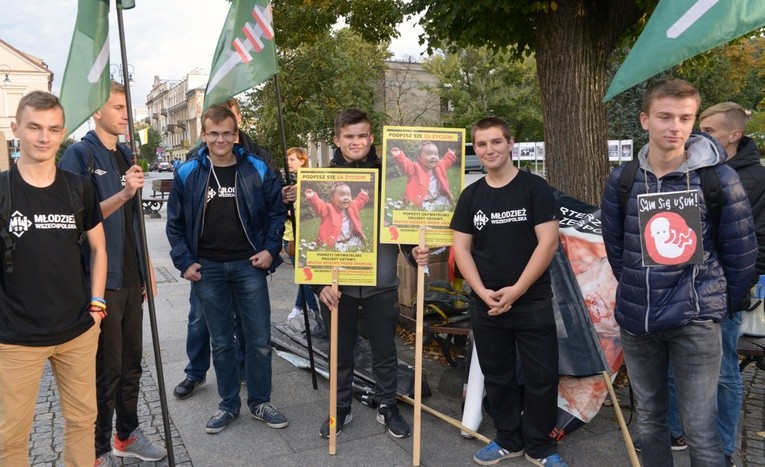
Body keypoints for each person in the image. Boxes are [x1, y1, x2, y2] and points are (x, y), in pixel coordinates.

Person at [601, 79, 756, 466]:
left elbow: (740, 255)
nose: (675, 127)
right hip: (639, 320)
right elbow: (618, 252)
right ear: (644, 120)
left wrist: (711, 305)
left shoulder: (719, 179)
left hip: (696, 321)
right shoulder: (621, 182)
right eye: (665, 116)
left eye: (685, 118)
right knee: (651, 423)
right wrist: (640, 290)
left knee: (700, 429)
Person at [450, 117, 566, 467]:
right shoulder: (471, 195)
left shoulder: (535, 188)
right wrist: (483, 292)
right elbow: (462, 248)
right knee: (497, 376)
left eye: (496, 142)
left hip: (530, 301)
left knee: (541, 377)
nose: (489, 150)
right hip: (486, 303)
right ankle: (508, 439)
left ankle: (540, 447)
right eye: (482, 144)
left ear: (510, 143)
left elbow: (548, 243)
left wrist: (516, 290)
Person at [60, 81, 166, 465]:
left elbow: (135, 220)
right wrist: (122, 193)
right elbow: (75, 220)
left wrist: (148, 266)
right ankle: (97, 448)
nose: (125, 114)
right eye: (118, 106)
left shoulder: (125, 154)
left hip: (131, 277)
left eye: (127, 106)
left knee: (132, 364)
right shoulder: (79, 156)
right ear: (97, 111)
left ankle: (127, 433)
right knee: (106, 369)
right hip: (101, 281)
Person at [166, 105, 288, 434]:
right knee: (221, 341)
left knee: (260, 338)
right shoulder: (188, 173)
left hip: (249, 265)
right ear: (203, 135)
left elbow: (277, 212)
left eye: (227, 133)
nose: (220, 139)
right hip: (208, 269)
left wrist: (270, 249)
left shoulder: (257, 168)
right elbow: (175, 225)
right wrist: (184, 261)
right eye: (213, 133)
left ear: (236, 135)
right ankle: (228, 404)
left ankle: (260, 402)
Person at [0, 91, 107, 466]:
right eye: (34, 127)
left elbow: (99, 249)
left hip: (77, 331)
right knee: (11, 435)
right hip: (16, 339)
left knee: (82, 421)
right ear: (17, 130)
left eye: (53, 129)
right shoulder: (1, 190)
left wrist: (97, 305)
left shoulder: (79, 188)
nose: (44, 137)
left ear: (63, 134)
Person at [313, 108, 429, 440]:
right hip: (338, 286)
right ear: (337, 139)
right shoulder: (321, 179)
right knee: (340, 350)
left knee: (385, 350)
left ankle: (387, 406)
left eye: (362, 135)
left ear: (371, 138)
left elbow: (404, 226)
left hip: (380, 283)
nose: (356, 142)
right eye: (348, 136)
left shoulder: (388, 176)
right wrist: (320, 284)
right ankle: (339, 408)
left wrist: (416, 251)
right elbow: (312, 245)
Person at [665, 101, 765, 466]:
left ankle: (722, 447)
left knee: (723, 373)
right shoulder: (692, 170)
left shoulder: (753, 179)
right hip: (681, 290)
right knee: (676, 366)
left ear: (734, 135)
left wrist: (735, 291)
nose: (696, 136)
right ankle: (675, 431)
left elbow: (759, 245)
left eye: (707, 131)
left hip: (723, 295)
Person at [283, 147, 319, 320]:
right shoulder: (288, 183)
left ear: (303, 161)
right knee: (304, 275)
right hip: (290, 236)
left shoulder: (308, 184)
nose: (288, 163)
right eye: (288, 159)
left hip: (305, 235)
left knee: (304, 275)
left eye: (292, 160)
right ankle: (311, 310)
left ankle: (304, 309)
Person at [390, 142, 457, 210]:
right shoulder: (415, 167)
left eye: (436, 154)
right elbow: (406, 165)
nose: (433, 157)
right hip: (421, 200)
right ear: (420, 157)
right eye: (429, 154)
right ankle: (431, 208)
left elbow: (446, 161)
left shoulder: (439, 166)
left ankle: (436, 206)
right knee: (423, 207)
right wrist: (398, 156)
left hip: (437, 197)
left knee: (445, 199)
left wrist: (450, 155)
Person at [304, 182, 369, 252]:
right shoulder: (328, 209)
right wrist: (312, 197)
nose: (346, 198)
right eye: (342, 195)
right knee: (335, 249)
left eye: (349, 195)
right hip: (335, 242)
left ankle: (350, 248)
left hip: (350, 239)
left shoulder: (352, 207)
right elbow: (318, 205)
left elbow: (359, 202)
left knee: (358, 239)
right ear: (332, 198)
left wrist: (363, 195)